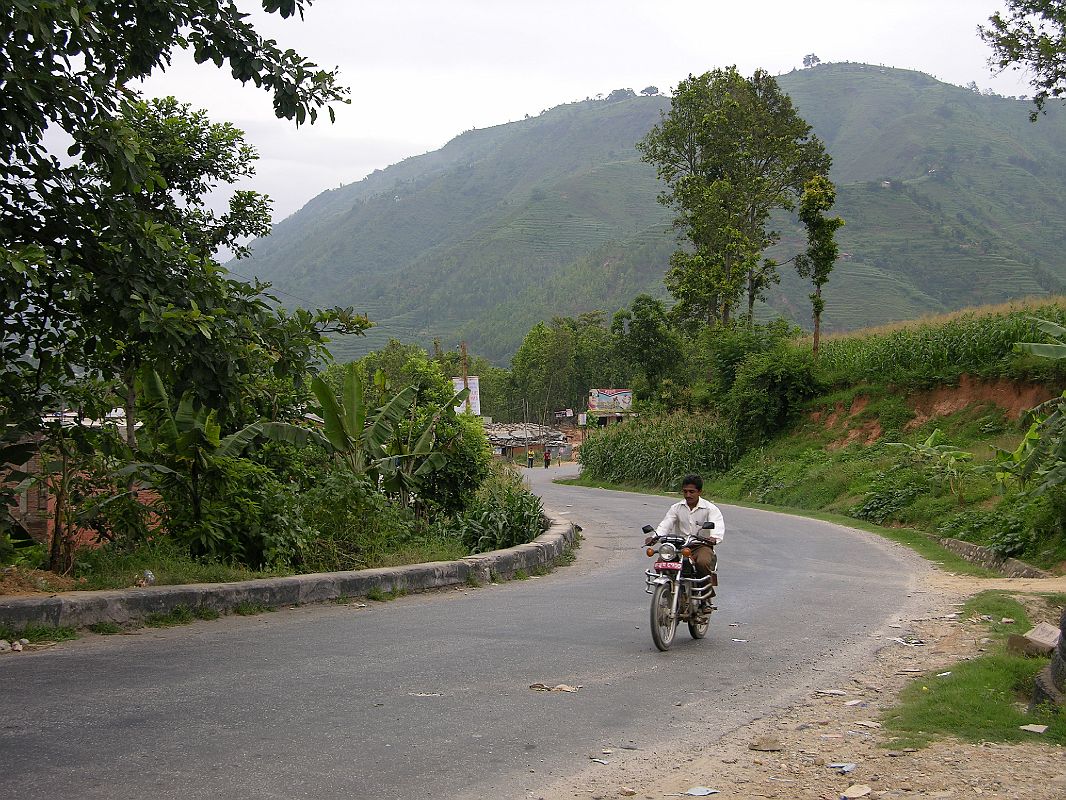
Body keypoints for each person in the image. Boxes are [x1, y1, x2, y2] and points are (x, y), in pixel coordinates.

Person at [645, 473, 724, 579]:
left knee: (702, 562)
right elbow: (666, 525)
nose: (688, 495)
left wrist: (714, 538)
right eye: (685, 491)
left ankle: (706, 592)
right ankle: (667, 589)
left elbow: (717, 525)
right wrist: (655, 537)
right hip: (679, 546)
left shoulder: (710, 508)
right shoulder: (676, 508)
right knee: (661, 562)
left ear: (699, 492)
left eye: (692, 492)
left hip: (701, 546)